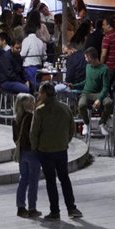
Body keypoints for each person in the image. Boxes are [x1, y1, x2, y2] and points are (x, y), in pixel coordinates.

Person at [30, 81, 82, 220]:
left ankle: (55, 211)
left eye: (40, 92)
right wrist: (65, 141)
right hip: (61, 149)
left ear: (45, 94)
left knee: (51, 181)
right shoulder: (65, 108)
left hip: (45, 150)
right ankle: (71, 208)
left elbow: (34, 133)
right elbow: (72, 129)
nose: (38, 94)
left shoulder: (40, 111)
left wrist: (35, 148)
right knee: (64, 178)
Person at [73, 47, 114, 136]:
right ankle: (86, 123)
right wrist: (74, 85)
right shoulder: (88, 67)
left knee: (109, 103)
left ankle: (102, 123)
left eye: (86, 57)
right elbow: (87, 81)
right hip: (86, 93)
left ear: (91, 57)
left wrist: (99, 99)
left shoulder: (104, 69)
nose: (85, 59)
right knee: (81, 104)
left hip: (99, 93)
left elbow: (105, 87)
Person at [13, 93, 42, 218]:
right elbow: (33, 135)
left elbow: (15, 138)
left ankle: (20, 207)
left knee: (23, 179)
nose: (34, 103)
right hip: (32, 152)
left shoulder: (16, 119)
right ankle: (32, 208)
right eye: (32, 101)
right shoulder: (31, 117)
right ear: (27, 104)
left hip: (22, 153)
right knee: (33, 181)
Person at [100, 17, 115, 84]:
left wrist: (100, 66)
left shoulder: (107, 37)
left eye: (104, 24)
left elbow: (103, 55)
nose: (102, 27)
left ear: (108, 26)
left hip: (108, 68)